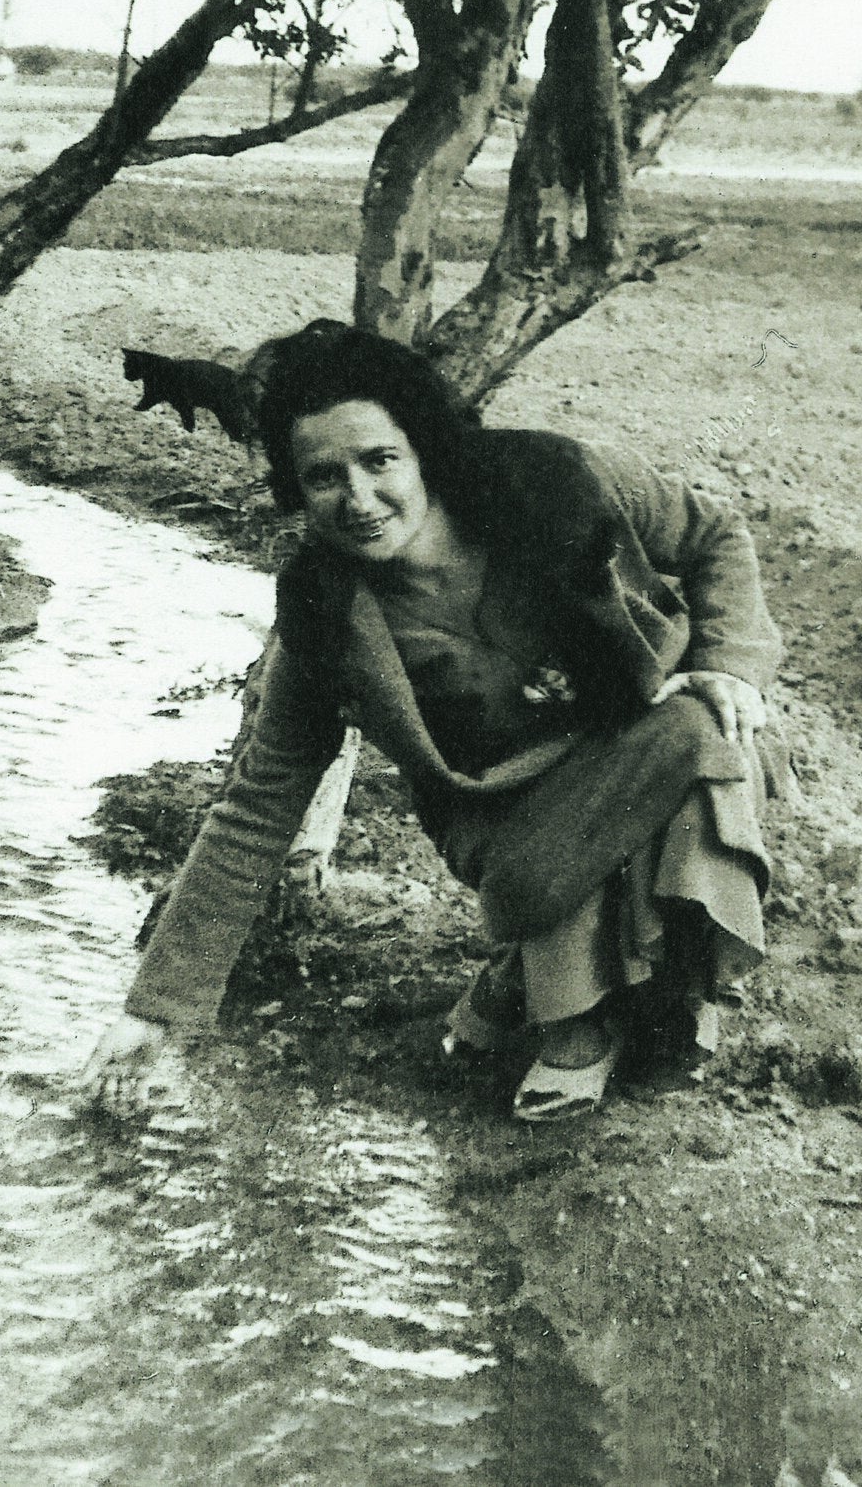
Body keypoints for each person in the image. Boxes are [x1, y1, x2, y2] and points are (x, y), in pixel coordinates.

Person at [83, 324, 782, 1123]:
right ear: (294, 488)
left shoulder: (558, 479)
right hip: (503, 817)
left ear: (422, 448)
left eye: (379, 461)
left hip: (638, 737)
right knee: (575, 846)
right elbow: (255, 808)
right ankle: (570, 1012)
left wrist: (729, 660)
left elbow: (714, 534)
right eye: (321, 476)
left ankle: (645, 999)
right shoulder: (323, 615)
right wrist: (155, 1009)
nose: (358, 499)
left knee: (710, 729)